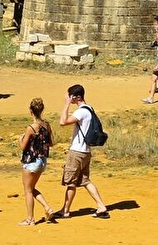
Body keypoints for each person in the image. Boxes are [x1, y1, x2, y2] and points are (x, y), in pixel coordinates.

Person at [58, 84, 111, 219]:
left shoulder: (81, 111)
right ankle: (101, 206)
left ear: (77, 97)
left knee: (71, 182)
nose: (69, 98)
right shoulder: (89, 108)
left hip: (77, 152)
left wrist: (66, 104)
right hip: (86, 152)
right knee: (85, 181)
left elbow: (63, 122)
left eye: (70, 96)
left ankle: (65, 211)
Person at [17, 97, 56, 225]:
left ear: (31, 111)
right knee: (32, 188)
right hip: (42, 161)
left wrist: (20, 139)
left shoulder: (31, 128)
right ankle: (47, 208)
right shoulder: (47, 125)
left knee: (27, 190)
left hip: (31, 161)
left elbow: (23, 147)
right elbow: (51, 143)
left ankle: (30, 219)